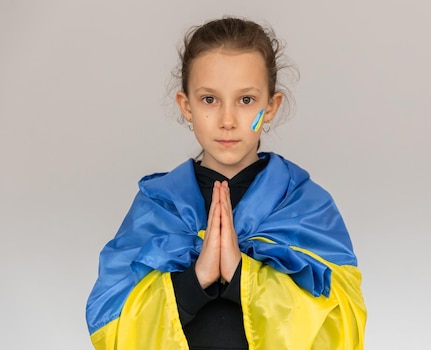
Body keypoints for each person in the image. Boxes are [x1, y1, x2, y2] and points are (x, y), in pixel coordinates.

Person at [85, 16, 367, 350]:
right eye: (209, 100)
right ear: (186, 106)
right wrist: (196, 280)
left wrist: (240, 276)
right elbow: (110, 323)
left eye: (246, 100)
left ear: (271, 106)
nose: (228, 120)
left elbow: (343, 323)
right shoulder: (159, 206)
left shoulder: (305, 207)